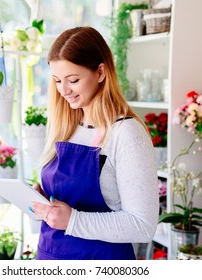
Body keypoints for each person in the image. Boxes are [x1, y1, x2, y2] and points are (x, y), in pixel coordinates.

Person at [30, 26, 159, 260]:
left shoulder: (126, 133)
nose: (64, 90)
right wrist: (44, 206)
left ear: (100, 72)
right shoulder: (65, 126)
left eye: (73, 80)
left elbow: (143, 225)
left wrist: (72, 220)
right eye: (57, 81)